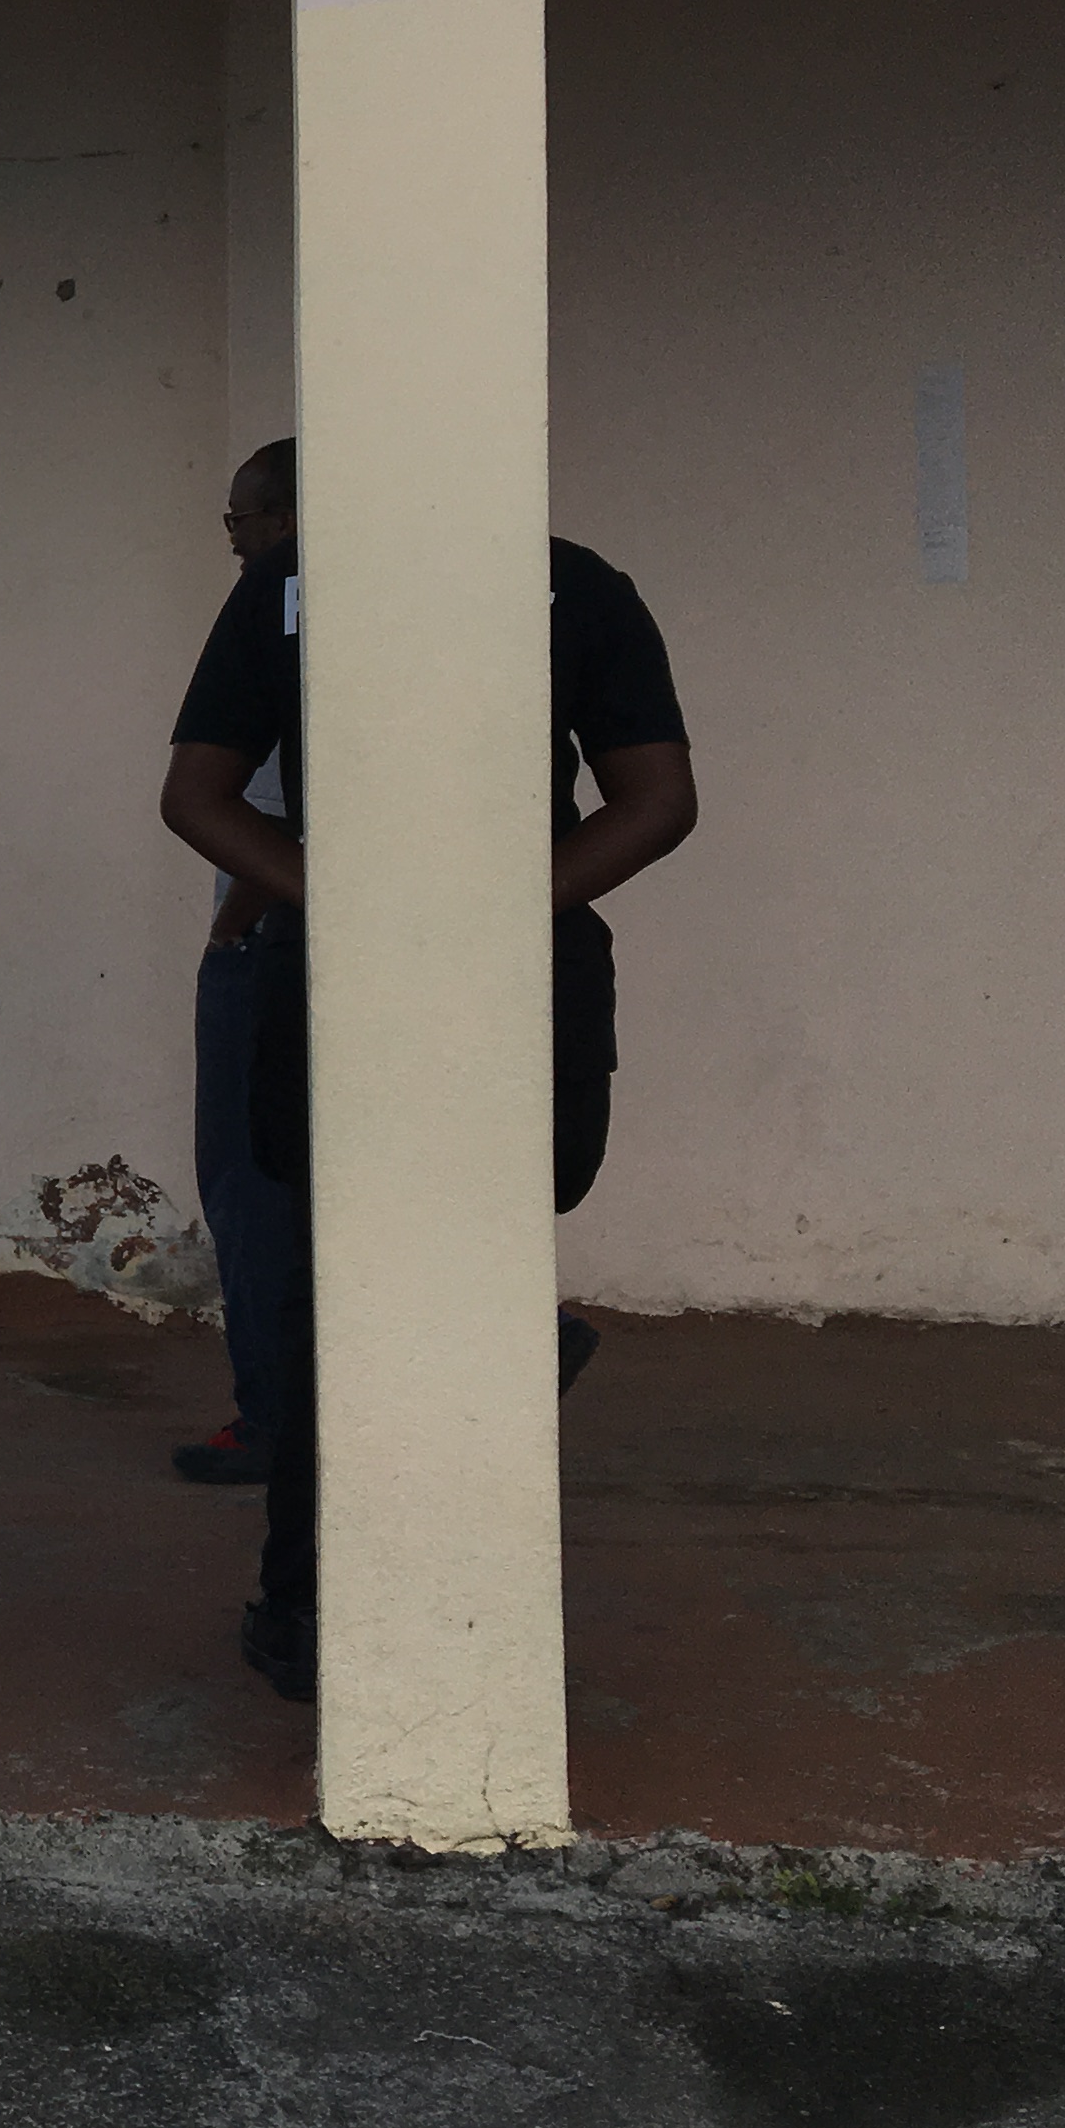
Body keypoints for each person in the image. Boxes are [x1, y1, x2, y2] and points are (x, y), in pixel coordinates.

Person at [158, 442, 697, 1702]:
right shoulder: (571, 583)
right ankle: (464, 1608)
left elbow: (196, 796)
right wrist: (504, 916)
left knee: (317, 1297)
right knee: (484, 1282)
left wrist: (341, 907)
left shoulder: (294, 585)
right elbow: (656, 801)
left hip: (337, 981)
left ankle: (305, 1610)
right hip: (510, 981)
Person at [171, 445, 303, 1487]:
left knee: (250, 1185)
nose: (235, 538)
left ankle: (270, 1417)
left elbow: (255, 810)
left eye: (246, 514)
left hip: (271, 946)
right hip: (370, 945)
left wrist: (241, 926)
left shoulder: (274, 615)